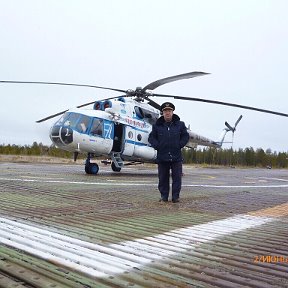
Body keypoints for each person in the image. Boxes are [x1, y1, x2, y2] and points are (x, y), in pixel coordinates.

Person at [148, 102, 189, 203]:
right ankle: (164, 196)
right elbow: (151, 138)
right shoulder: (157, 126)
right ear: (162, 112)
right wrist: (158, 146)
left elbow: (185, 136)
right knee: (163, 178)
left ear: (172, 112)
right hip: (162, 156)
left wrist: (179, 144)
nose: (167, 113)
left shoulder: (180, 125)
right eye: (165, 111)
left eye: (169, 111)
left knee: (177, 178)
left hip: (176, 157)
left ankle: (175, 197)